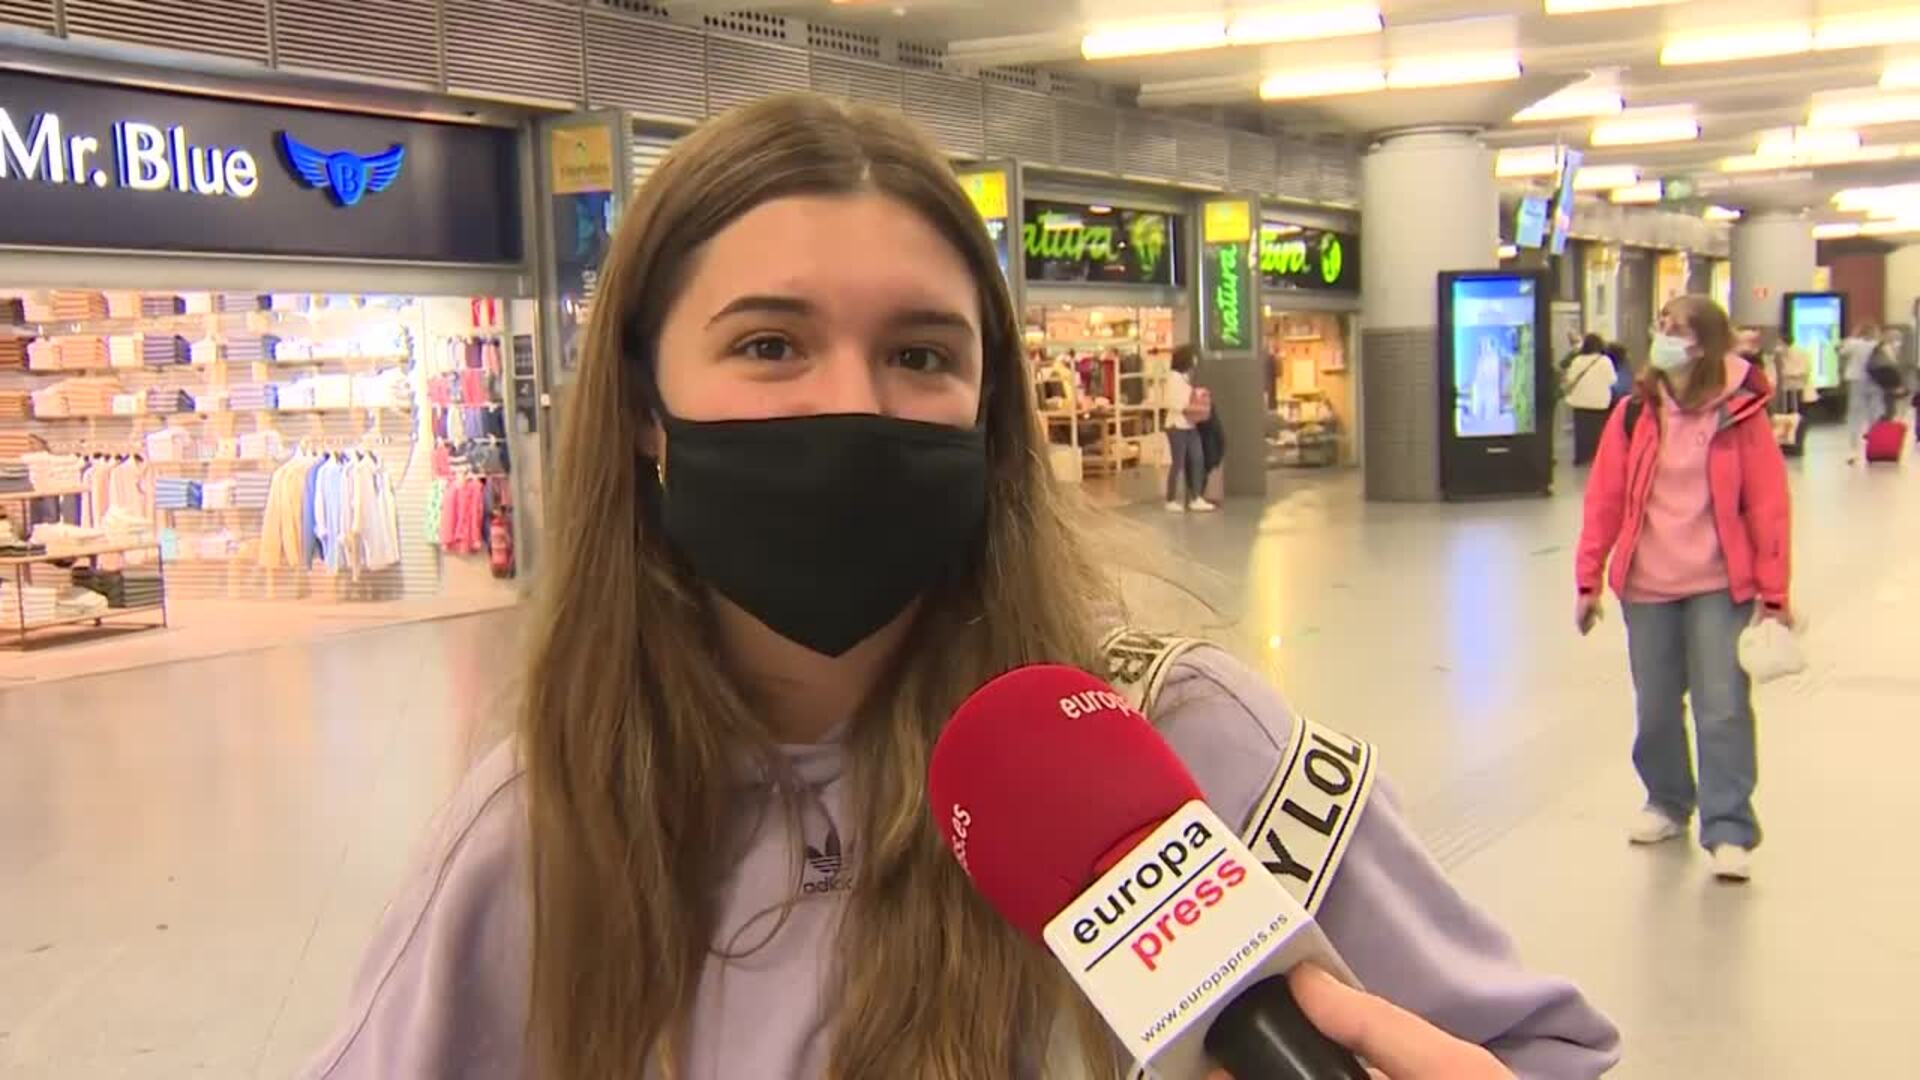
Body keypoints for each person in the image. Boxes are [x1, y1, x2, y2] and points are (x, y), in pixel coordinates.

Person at [302, 93, 1618, 1079]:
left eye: (922, 354)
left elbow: (1535, 1047)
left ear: (985, 407)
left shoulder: (1174, 749)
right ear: (647, 409)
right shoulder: (540, 840)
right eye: (770, 344)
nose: (853, 407)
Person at [1575, 295, 1792, 884]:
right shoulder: (1635, 412)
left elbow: (1768, 505)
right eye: (1660, 325)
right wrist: (1587, 577)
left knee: (1721, 705)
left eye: (1676, 329)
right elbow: (1604, 498)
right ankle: (1667, 801)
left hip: (1720, 583)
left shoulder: (1740, 413)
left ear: (1704, 343)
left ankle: (1728, 828)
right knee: (1655, 704)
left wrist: (1774, 594)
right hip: (1647, 582)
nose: (1662, 336)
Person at [1164, 344, 1216, 512]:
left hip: (1189, 424)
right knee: (1178, 463)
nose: (1195, 360)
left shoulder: (1184, 377)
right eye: (1193, 357)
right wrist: (1187, 407)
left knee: (1197, 458)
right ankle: (1170, 499)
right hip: (1177, 425)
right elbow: (1172, 402)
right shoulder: (1173, 378)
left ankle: (1196, 497)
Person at [1560, 333, 1617, 466]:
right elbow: (1612, 380)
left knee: (1581, 431)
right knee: (1598, 432)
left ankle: (1580, 457)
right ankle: (1597, 458)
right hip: (1600, 402)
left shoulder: (1577, 361)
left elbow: (1569, 379)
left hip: (1580, 401)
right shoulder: (1605, 361)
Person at [1839, 323, 1882, 464]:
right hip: (1876, 380)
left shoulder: (1853, 343)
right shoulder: (1878, 344)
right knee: (1874, 414)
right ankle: (1875, 448)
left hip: (1856, 380)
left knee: (1855, 415)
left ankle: (1853, 451)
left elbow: (1840, 351)